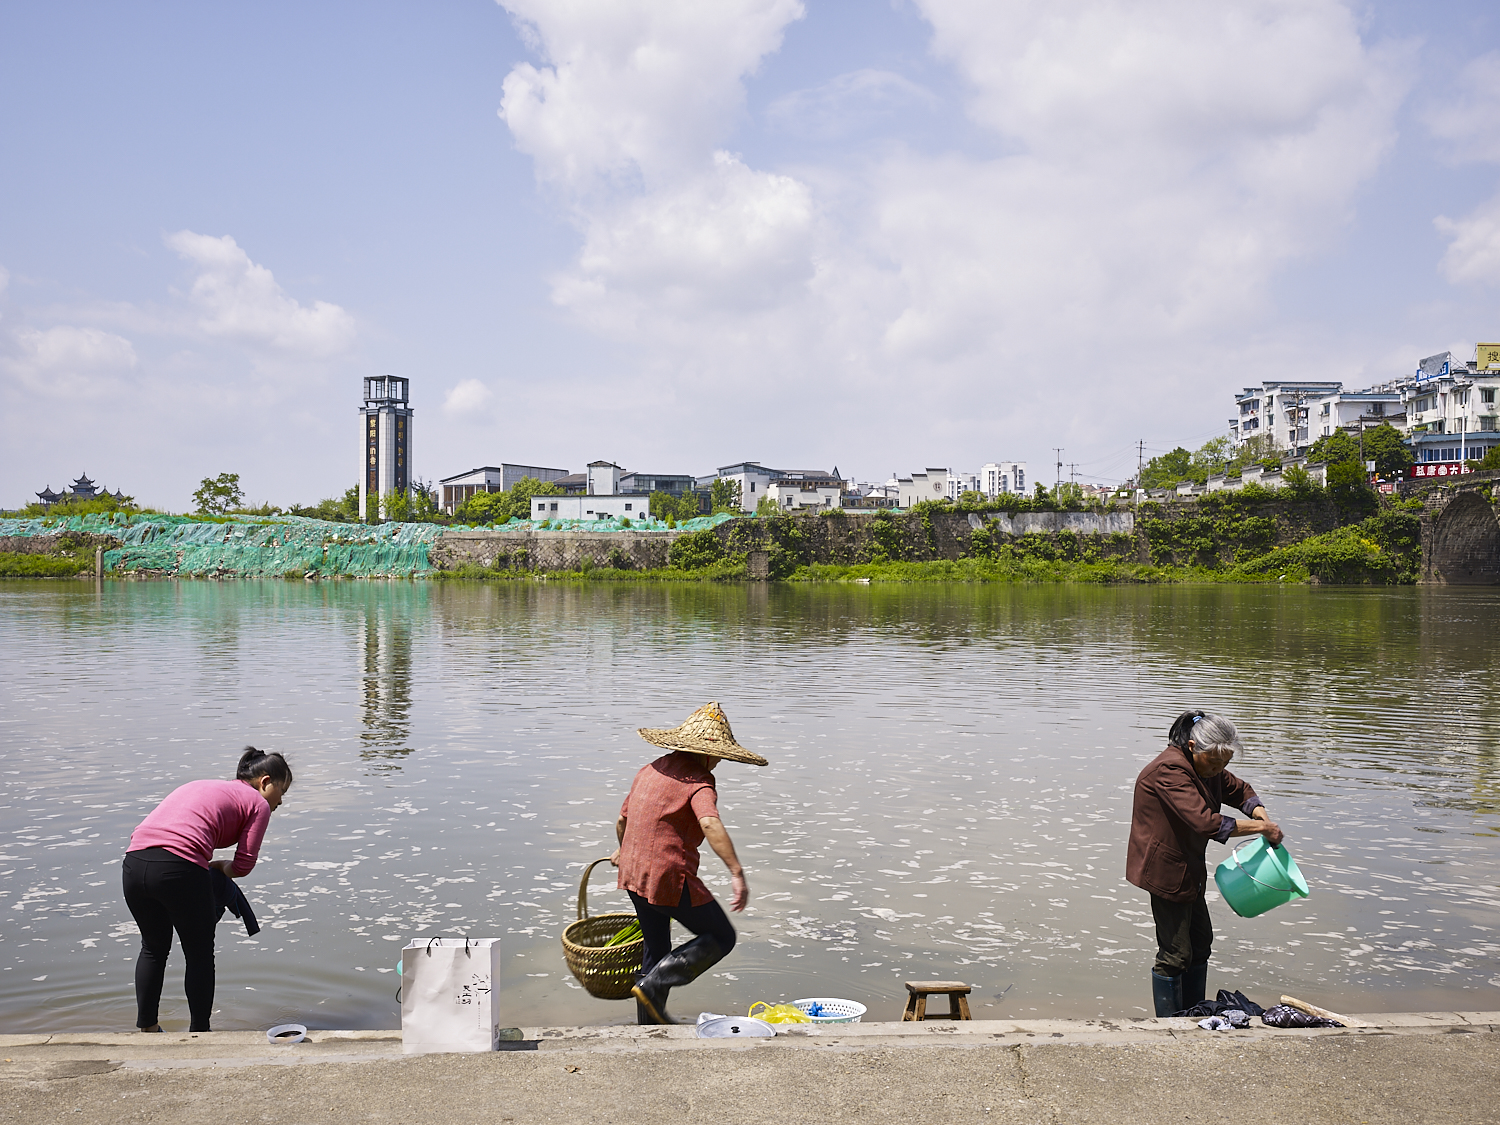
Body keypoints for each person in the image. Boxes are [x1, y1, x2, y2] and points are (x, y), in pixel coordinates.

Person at [610, 701, 765, 1024]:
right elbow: (709, 824)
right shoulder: (699, 781)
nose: (720, 761)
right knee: (721, 937)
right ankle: (653, 986)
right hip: (667, 877)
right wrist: (737, 872)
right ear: (709, 753)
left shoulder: (650, 770)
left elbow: (623, 821)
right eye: (721, 754)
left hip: (634, 875)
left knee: (655, 949)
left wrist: (623, 850)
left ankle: (648, 1026)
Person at [122, 747, 292, 1032]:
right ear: (265, 782)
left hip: (134, 863)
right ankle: (200, 1033)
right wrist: (220, 866)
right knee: (199, 953)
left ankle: (148, 1030)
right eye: (282, 791)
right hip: (178, 869)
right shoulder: (258, 804)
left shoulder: (204, 785)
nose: (281, 801)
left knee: (153, 948)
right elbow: (243, 865)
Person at [1126, 710, 1283, 1017]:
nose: (1219, 769)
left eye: (1225, 763)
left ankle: (1193, 1013)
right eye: (1214, 762)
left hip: (1190, 865)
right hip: (1165, 869)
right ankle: (1170, 1024)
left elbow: (1240, 790)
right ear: (1193, 746)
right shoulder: (1170, 770)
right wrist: (1262, 830)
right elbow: (1205, 823)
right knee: (1175, 954)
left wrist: (1260, 814)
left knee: (1201, 942)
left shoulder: (1207, 767)